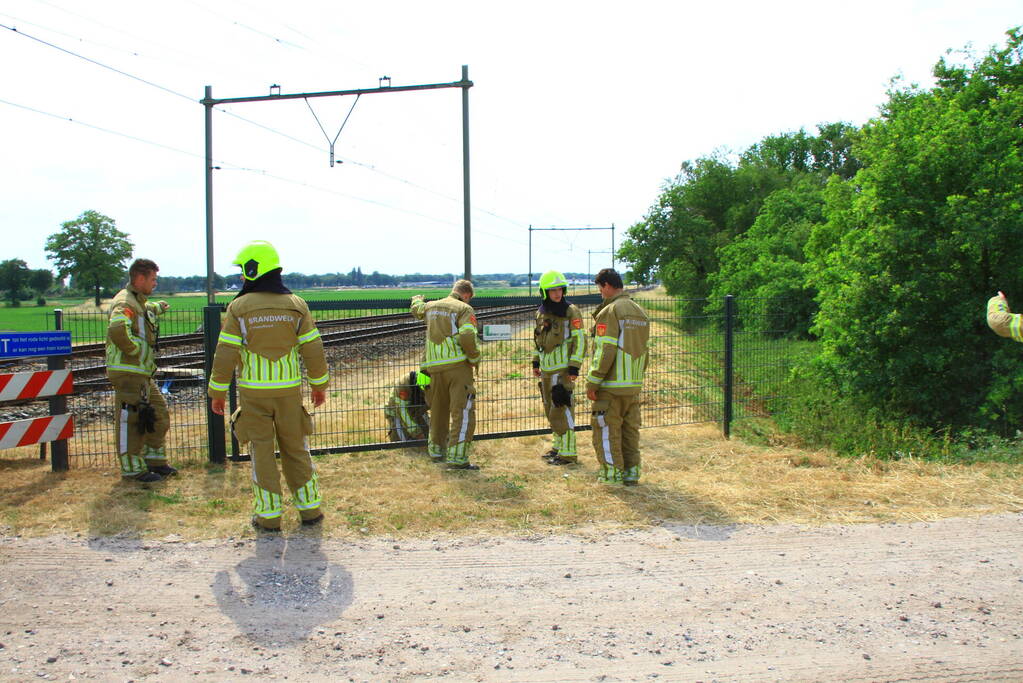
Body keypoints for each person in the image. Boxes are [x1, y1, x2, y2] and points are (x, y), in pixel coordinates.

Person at [208, 241, 330, 532]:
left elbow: (225, 352)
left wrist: (218, 392)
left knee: (262, 453)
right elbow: (313, 349)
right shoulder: (296, 305)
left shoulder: (239, 308)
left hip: (254, 395)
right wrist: (319, 385)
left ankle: (269, 517)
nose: (241, 276)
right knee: (296, 449)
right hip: (289, 393)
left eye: (243, 270)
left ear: (254, 269)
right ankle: (310, 510)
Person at [106, 258, 174, 483]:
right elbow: (118, 328)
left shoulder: (138, 302)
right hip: (128, 372)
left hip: (141, 373)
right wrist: (135, 350)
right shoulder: (125, 303)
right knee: (131, 421)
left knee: (158, 414)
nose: (155, 283)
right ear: (140, 278)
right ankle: (133, 470)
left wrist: (160, 306)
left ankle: (155, 461)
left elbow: (146, 311)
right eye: (153, 279)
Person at [585, 268, 650, 485]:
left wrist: (593, 381)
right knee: (630, 431)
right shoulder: (640, 312)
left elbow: (605, 351)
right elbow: (645, 351)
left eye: (600, 289)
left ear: (606, 286)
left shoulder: (610, 311)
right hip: (632, 385)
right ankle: (632, 473)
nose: (600, 293)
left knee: (606, 431)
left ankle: (611, 475)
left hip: (610, 385)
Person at [410, 280, 481, 469]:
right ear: (467, 295)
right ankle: (458, 459)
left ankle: (436, 451)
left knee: (438, 411)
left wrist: (416, 299)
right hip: (457, 366)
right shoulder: (464, 308)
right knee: (462, 412)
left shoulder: (431, 306)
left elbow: (417, 309)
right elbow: (467, 336)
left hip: (433, 369)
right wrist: (474, 358)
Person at [532, 270, 586, 465]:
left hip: (563, 371)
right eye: (552, 290)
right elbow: (538, 339)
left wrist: (574, 367)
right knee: (551, 410)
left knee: (563, 410)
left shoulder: (571, 311)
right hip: (546, 371)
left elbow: (580, 340)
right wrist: (536, 361)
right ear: (545, 292)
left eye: (559, 289)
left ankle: (569, 454)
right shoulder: (541, 312)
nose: (557, 293)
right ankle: (558, 447)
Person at [384, 370, 430, 442]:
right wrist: (417, 433)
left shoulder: (433, 382)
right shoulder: (403, 385)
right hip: (397, 414)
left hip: (417, 412)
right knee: (402, 443)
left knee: (430, 437)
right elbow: (402, 412)